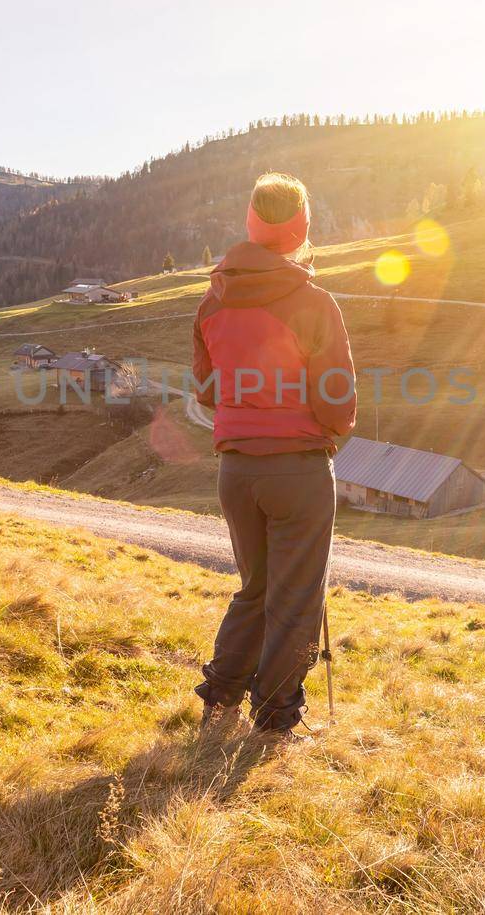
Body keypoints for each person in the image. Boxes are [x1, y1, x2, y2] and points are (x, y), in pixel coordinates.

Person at [191, 172, 356, 740]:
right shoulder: (313, 302)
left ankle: (221, 698)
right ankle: (276, 716)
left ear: (251, 226)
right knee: (295, 596)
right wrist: (333, 430)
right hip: (299, 468)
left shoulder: (214, 298)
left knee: (255, 588)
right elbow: (336, 392)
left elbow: (207, 388)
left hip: (236, 469)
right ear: (301, 231)